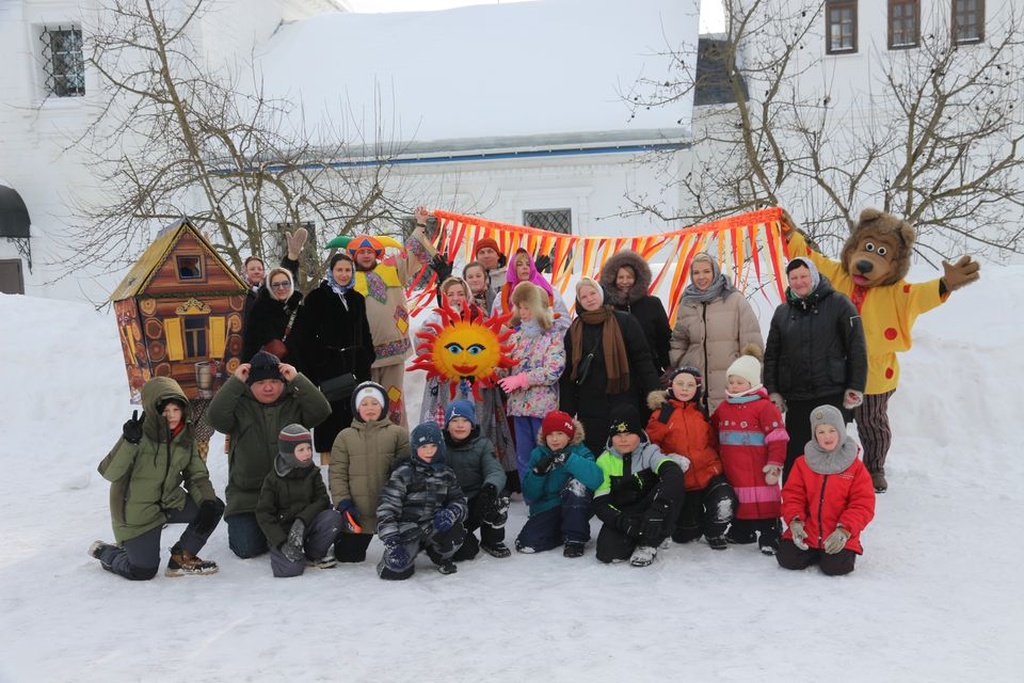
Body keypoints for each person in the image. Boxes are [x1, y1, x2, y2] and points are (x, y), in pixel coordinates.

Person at [90, 377, 225, 580]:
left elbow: (197, 475)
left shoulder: (185, 436)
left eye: (176, 409)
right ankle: (105, 552)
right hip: (137, 512)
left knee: (212, 507)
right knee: (142, 571)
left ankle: (182, 559)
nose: (171, 415)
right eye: (165, 410)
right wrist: (128, 442)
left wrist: (207, 501)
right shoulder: (137, 435)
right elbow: (110, 473)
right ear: (153, 410)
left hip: (170, 502)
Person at [207, 350, 331, 558]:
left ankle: (280, 532)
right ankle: (274, 533)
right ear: (249, 384)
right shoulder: (239, 405)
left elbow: (321, 411)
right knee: (246, 548)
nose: (268, 387)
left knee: (296, 532)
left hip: (292, 496)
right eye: (260, 382)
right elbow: (215, 418)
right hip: (248, 497)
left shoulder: (294, 403)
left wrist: (297, 379)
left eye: (274, 381)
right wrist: (235, 383)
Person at [763, 256, 868, 482]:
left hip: (831, 393)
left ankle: (835, 496)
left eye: (804, 276)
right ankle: (794, 500)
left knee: (831, 449)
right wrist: (773, 391)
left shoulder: (839, 304)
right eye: (794, 278)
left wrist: (855, 386)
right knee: (797, 454)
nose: (799, 282)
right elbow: (771, 356)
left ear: (813, 275)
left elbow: (857, 348)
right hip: (797, 397)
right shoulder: (782, 313)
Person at [348, 206, 436, 428]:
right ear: (354, 256)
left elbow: (411, 253)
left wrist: (420, 224)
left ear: (377, 254)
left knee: (394, 399)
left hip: (393, 351)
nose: (366, 255)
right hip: (361, 353)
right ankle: (368, 441)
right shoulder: (346, 277)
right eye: (361, 251)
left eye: (370, 251)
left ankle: (398, 440)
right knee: (366, 401)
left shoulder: (391, 267)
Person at [559, 277, 661, 457]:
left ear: (601, 294)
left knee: (625, 449)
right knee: (595, 452)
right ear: (579, 301)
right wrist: (566, 411)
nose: (589, 299)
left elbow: (643, 360)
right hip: (589, 404)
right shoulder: (574, 330)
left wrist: (655, 393)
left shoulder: (625, 321)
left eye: (593, 293)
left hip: (623, 397)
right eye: (584, 297)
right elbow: (568, 374)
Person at [292, 252, 375, 461]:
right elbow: (306, 337)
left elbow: (364, 331)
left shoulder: (357, 298)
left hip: (357, 368)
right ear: (331, 272)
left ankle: (358, 465)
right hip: (330, 370)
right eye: (339, 270)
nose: (344, 274)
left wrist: (367, 355)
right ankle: (333, 468)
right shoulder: (317, 298)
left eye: (348, 270)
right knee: (333, 421)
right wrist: (322, 361)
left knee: (356, 418)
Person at [778, 405, 876, 576]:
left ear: (841, 432)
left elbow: (862, 503)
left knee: (836, 568)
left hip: (837, 533)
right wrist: (795, 521)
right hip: (808, 532)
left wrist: (845, 530)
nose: (827, 436)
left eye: (832, 430)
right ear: (814, 434)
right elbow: (793, 495)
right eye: (821, 432)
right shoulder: (802, 463)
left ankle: (829, 553)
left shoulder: (855, 467)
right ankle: (816, 551)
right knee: (787, 559)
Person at [646, 366, 737, 550]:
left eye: (690, 385)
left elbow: (713, 441)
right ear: (671, 387)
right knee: (685, 534)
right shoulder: (662, 414)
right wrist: (669, 460)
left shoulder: (701, 412)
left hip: (708, 472)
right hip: (683, 480)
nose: (685, 389)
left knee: (725, 501)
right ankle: (693, 521)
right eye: (680, 384)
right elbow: (651, 446)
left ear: (697, 389)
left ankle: (714, 531)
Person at [710, 345, 788, 555]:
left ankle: (770, 534)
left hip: (759, 468)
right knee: (740, 500)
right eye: (731, 382)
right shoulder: (724, 407)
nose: (734, 386)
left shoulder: (764, 407)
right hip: (734, 467)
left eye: (740, 382)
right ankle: (742, 531)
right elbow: (712, 430)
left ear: (752, 383)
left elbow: (778, 437)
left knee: (763, 502)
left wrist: (775, 464)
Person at [592, 407, 687, 567]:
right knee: (607, 553)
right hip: (625, 514)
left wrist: (657, 509)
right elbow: (600, 503)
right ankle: (639, 534)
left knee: (673, 482)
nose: (623, 439)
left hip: (651, 508)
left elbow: (673, 473)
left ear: (639, 433)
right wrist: (623, 522)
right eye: (618, 435)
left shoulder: (649, 452)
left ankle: (650, 542)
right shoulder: (604, 461)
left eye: (629, 434)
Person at [669, 252, 763, 413]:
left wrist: (748, 379)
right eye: (696, 273)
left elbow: (751, 344)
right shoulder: (687, 303)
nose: (701, 277)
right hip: (695, 388)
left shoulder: (735, 300)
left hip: (730, 386)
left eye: (706, 271)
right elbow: (679, 340)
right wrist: (682, 363)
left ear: (715, 272)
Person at [329, 382, 411, 563]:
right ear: (356, 408)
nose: (370, 408)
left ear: (384, 406)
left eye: (375, 403)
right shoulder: (345, 437)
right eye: (364, 404)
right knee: (347, 556)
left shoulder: (398, 434)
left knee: (404, 557)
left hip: (393, 512)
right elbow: (337, 474)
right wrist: (343, 503)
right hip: (359, 514)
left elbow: (409, 472)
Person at [375, 422, 468, 579]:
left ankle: (439, 554)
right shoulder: (403, 473)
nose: (429, 451)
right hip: (407, 529)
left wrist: (452, 512)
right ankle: (393, 559)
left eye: (433, 446)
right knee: (396, 572)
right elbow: (387, 508)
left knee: (456, 533)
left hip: (434, 525)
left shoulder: (446, 473)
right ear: (414, 448)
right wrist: (392, 541)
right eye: (423, 446)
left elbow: (459, 500)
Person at [498, 282, 566, 486]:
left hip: (542, 408)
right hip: (518, 407)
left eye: (527, 307)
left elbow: (554, 370)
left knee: (545, 453)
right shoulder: (516, 337)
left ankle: (549, 494)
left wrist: (522, 379)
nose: (523, 313)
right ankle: (530, 494)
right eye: (520, 307)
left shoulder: (552, 336)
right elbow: (506, 368)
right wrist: (491, 366)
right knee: (523, 455)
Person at [255, 425, 343, 577]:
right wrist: (281, 543)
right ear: (288, 453)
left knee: (333, 518)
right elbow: (264, 514)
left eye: (309, 448)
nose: (307, 453)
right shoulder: (273, 480)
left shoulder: (313, 472)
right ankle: (291, 555)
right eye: (301, 450)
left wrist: (301, 521)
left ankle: (313, 553)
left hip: (306, 525)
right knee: (290, 569)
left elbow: (322, 500)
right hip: (283, 533)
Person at [516, 411, 602, 557]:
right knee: (526, 543)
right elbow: (530, 495)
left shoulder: (580, 451)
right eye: (550, 434)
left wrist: (569, 459)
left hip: (575, 505)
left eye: (560, 433)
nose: (554, 439)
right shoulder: (538, 454)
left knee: (576, 485)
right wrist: (538, 474)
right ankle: (562, 533)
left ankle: (575, 539)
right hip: (549, 507)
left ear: (569, 435)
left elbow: (596, 479)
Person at [442, 400, 511, 560]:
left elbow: (495, 470)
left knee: (498, 499)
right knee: (464, 551)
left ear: (472, 425)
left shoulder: (483, 445)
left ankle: (492, 540)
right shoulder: (439, 446)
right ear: (447, 425)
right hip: (452, 504)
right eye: (455, 420)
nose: (460, 425)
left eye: (465, 420)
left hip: (477, 500)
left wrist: (489, 489)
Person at [418, 276, 485, 426]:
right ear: (444, 297)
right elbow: (421, 346)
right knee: (442, 423)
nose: (456, 298)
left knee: (467, 421)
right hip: (443, 383)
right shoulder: (435, 318)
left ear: (467, 296)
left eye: (460, 294)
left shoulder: (476, 317)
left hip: (469, 380)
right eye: (450, 294)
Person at [599, 249, 671, 376]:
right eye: (621, 277)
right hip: (617, 373)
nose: (625, 281)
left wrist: (668, 367)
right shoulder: (606, 307)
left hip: (650, 371)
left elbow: (664, 339)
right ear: (613, 279)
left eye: (629, 277)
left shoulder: (653, 304)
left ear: (637, 279)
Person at [492, 248, 571, 335]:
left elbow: (565, 324)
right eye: (519, 264)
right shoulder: (502, 297)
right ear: (513, 269)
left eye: (528, 264)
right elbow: (494, 327)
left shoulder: (548, 291)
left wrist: (548, 327)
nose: (525, 267)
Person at [242, 266, 303, 362]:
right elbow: (250, 345)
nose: (281, 288)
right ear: (270, 287)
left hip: (296, 367)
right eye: (276, 285)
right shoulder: (260, 310)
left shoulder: (300, 310)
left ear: (291, 284)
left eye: (285, 283)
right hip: (268, 368)